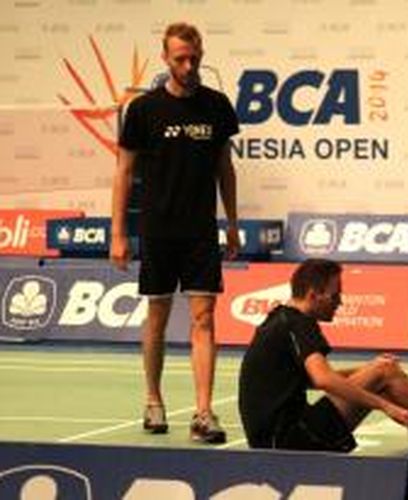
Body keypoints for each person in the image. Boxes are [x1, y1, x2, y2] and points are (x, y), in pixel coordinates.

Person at [110, 22, 240, 444]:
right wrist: (118, 232)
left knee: (205, 319)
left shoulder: (217, 106)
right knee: (158, 317)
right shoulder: (144, 110)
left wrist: (233, 224)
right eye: (180, 58)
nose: (188, 64)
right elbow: (123, 172)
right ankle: (153, 400)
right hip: (158, 229)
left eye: (194, 57)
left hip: (201, 231)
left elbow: (225, 168)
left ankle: (203, 413)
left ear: (201, 53)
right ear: (165, 58)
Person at [238, 259, 408, 452]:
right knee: (385, 374)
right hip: (288, 443)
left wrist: (368, 368)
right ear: (313, 294)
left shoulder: (280, 319)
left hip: (274, 440)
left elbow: (308, 379)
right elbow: (323, 379)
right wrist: (388, 407)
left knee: (381, 371)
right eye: (335, 294)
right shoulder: (299, 323)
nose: (339, 301)